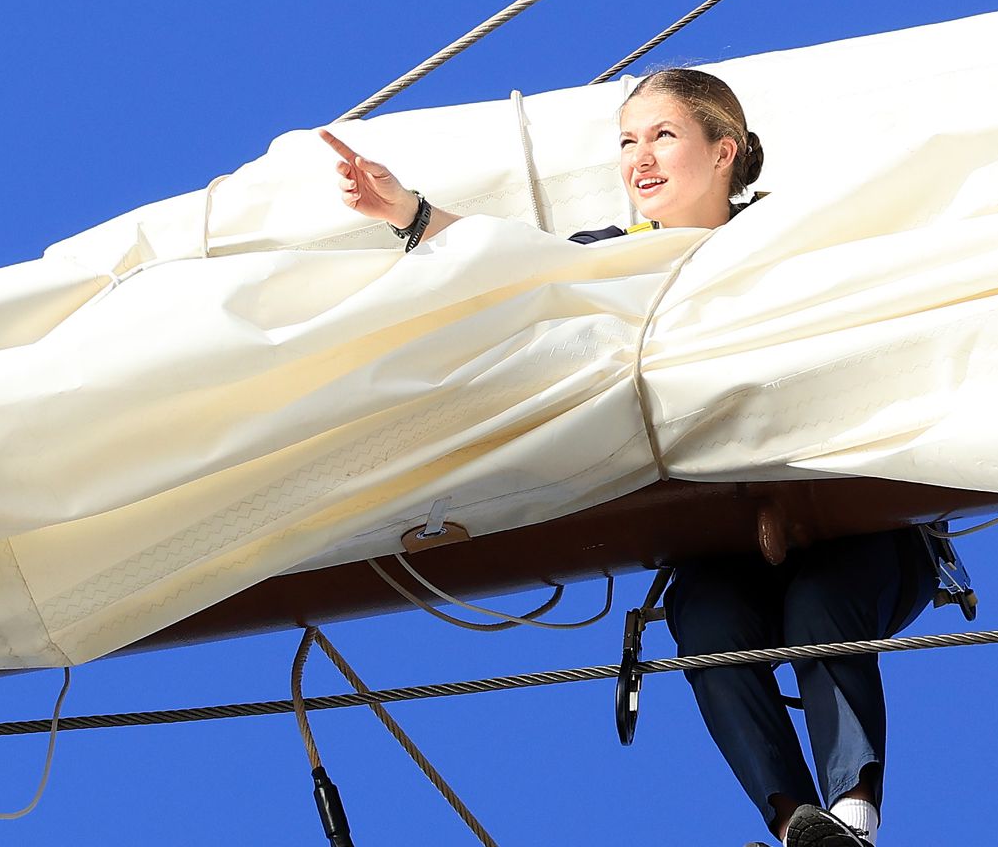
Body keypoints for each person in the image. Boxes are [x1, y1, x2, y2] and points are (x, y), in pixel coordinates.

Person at [321, 68, 936, 847]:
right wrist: (406, 212)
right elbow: (510, 266)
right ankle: (797, 829)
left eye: (663, 136)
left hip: (853, 526)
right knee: (706, 619)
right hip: (717, 536)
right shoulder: (607, 263)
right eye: (626, 141)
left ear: (725, 151)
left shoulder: (792, 236)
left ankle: (853, 817)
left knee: (819, 608)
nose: (639, 158)